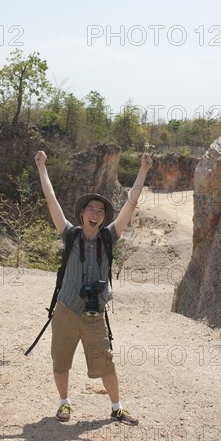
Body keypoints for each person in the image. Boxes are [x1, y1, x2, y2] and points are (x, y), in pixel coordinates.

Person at [34, 150, 152, 424]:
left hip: (95, 314)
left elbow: (130, 205)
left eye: (100, 211)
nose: (96, 214)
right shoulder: (70, 234)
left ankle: (116, 408)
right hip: (65, 309)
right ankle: (64, 404)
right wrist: (42, 168)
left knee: (106, 364)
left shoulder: (109, 237)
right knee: (60, 362)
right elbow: (51, 199)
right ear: (82, 213)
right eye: (91, 209)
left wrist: (143, 171)